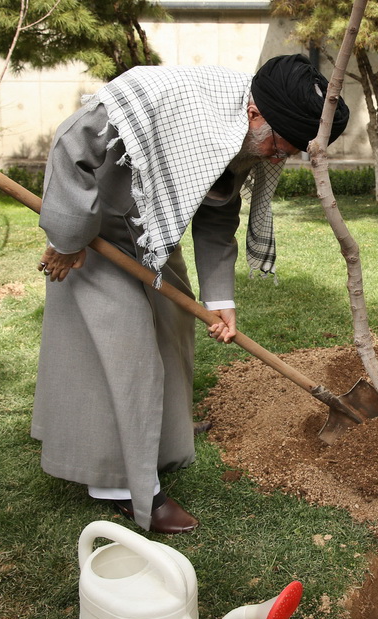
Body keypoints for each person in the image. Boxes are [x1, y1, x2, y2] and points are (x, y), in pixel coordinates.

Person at [31, 55, 350, 534]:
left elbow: (217, 209)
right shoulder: (173, 96)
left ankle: (163, 438)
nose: (281, 158)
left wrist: (221, 301)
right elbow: (71, 139)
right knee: (124, 349)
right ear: (255, 114)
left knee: (172, 330)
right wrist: (68, 237)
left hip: (152, 231)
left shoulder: (249, 132)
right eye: (283, 146)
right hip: (98, 230)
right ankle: (122, 485)